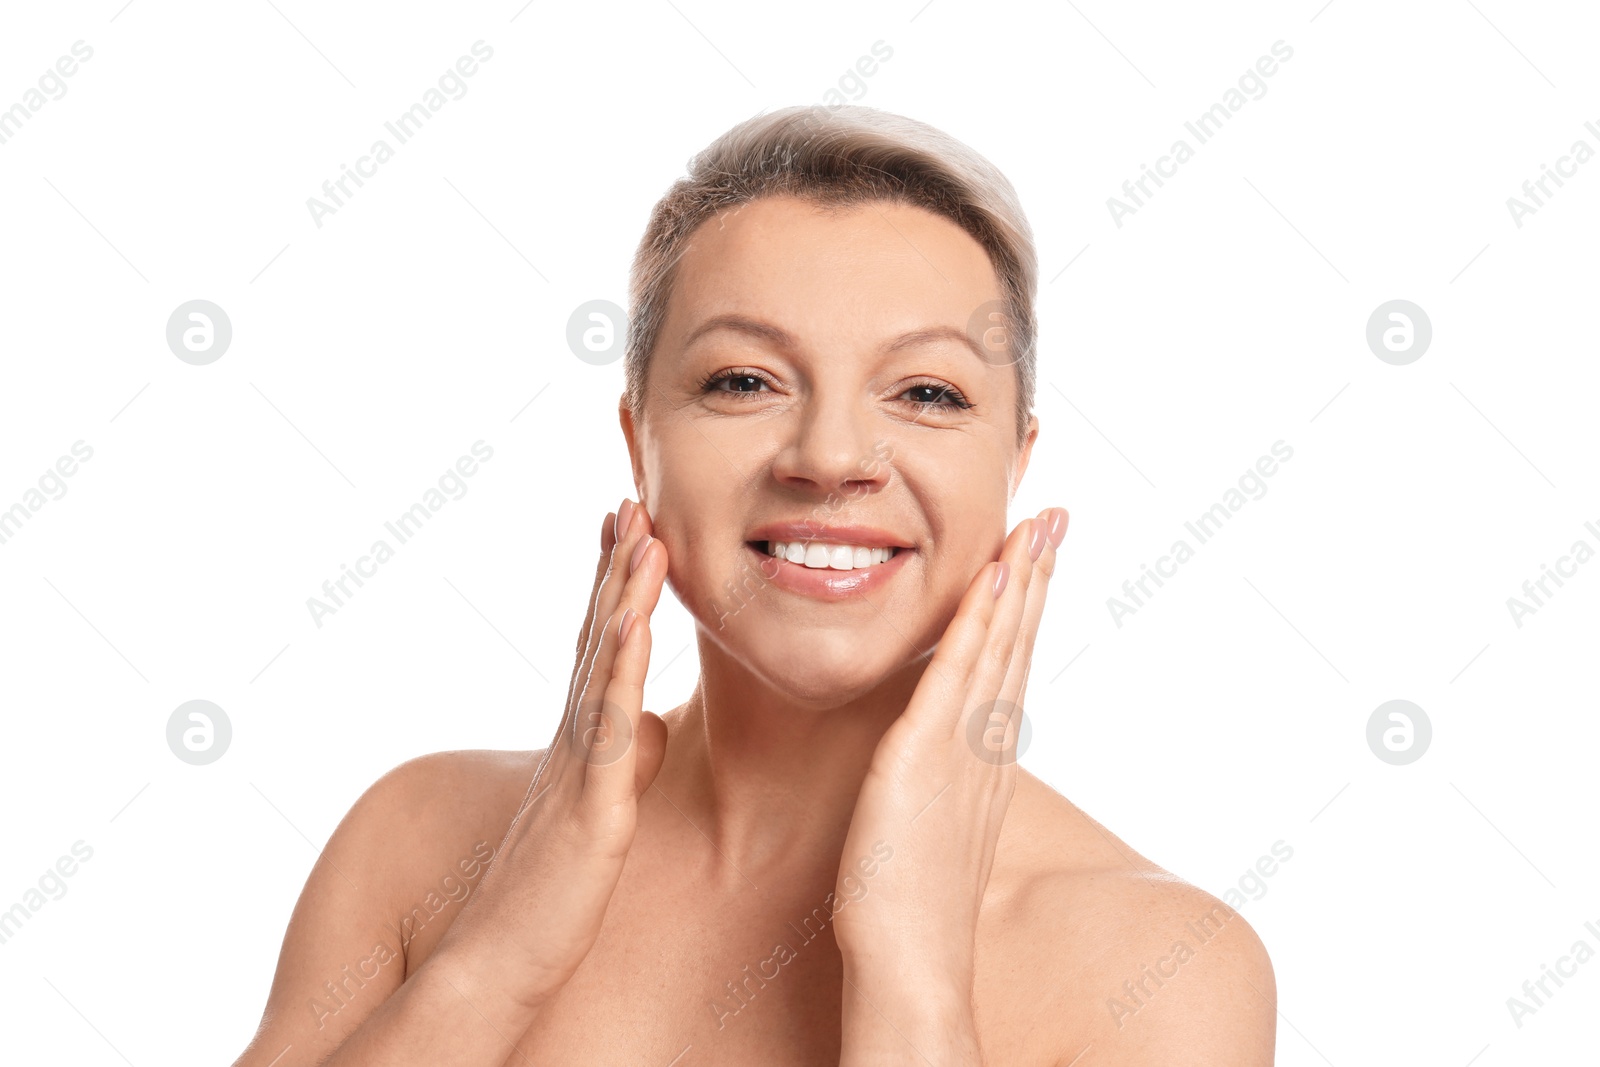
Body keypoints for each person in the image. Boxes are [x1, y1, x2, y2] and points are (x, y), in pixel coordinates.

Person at [233, 104, 1275, 1066]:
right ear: (640, 438)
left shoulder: (1167, 967)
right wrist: (495, 955)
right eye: (743, 381)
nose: (829, 458)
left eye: (925, 390)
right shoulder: (418, 839)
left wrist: (910, 975)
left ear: (1017, 460)